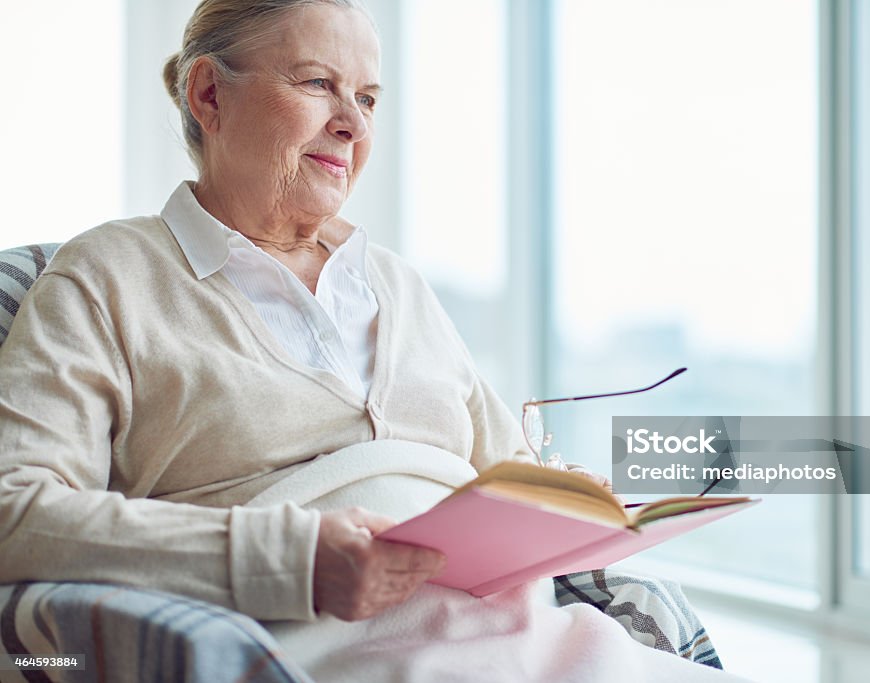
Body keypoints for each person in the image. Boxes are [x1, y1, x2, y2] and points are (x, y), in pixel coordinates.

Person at [0, 1, 749, 680]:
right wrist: (288, 561)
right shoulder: (106, 276)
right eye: (318, 83)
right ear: (209, 95)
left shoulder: (398, 285)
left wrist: (574, 504)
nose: (353, 124)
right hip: (319, 650)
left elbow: (509, 473)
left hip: (547, 642)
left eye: (366, 99)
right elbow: (15, 512)